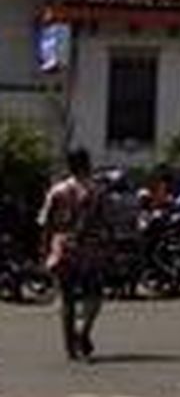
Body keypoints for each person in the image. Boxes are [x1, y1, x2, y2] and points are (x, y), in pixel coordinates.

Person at [38, 148, 111, 361]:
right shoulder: (98, 191)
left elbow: (46, 223)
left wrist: (44, 250)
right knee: (94, 294)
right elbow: (105, 222)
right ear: (87, 164)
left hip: (63, 248)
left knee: (67, 297)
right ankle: (83, 330)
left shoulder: (57, 190)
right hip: (90, 250)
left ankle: (70, 346)